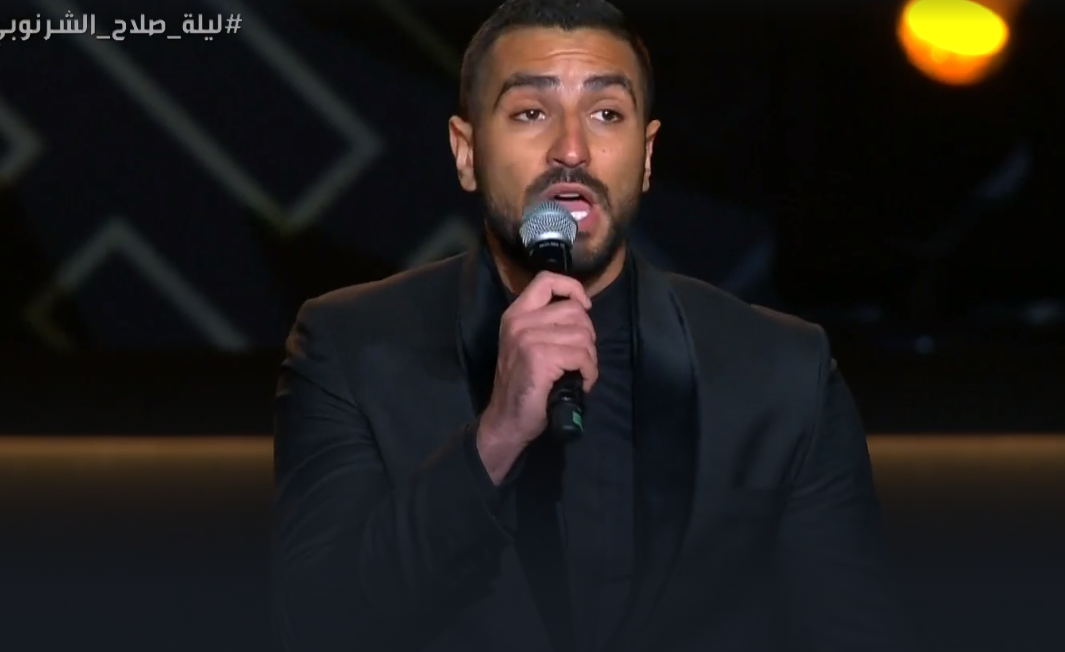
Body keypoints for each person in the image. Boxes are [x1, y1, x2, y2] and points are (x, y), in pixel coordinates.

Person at [271, 0, 911, 650]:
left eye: (606, 114)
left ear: (647, 155)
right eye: (530, 113)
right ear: (466, 152)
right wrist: (496, 437)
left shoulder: (780, 369)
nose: (571, 150)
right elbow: (322, 626)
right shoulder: (352, 346)